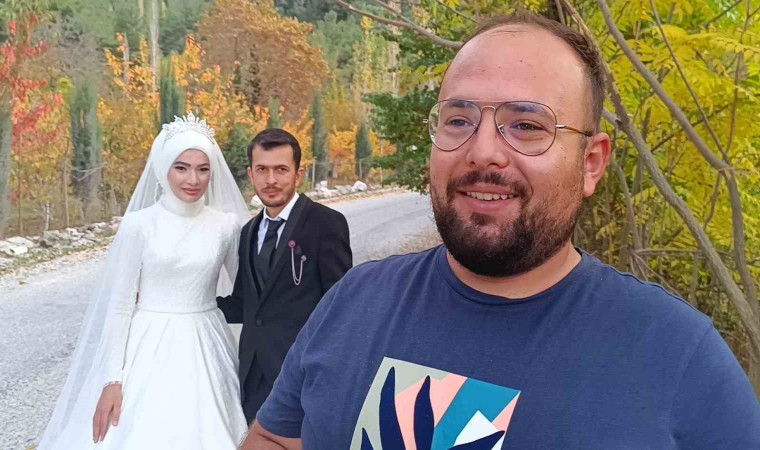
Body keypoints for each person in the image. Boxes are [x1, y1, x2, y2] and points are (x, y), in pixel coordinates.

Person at [241, 14, 760, 450]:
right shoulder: (354, 301)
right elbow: (276, 438)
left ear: (591, 163)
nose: (482, 151)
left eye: (527, 125)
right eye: (458, 120)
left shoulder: (678, 356)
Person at [38, 113, 250, 449]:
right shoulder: (140, 225)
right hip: (147, 344)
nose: (193, 179)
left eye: (203, 169)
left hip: (207, 344)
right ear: (163, 168)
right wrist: (112, 380)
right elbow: (120, 305)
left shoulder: (225, 226)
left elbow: (246, 293)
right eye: (181, 167)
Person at [216, 128, 352, 425]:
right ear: (251, 174)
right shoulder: (249, 232)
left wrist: (327, 373)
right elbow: (245, 304)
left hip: (301, 376)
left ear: (298, 174)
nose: (271, 180)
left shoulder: (325, 223)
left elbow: (340, 308)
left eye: (281, 169)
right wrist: (190, 304)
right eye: (262, 170)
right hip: (253, 374)